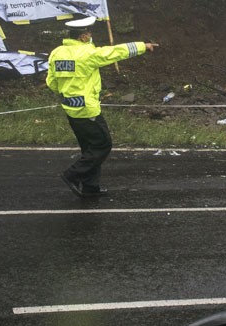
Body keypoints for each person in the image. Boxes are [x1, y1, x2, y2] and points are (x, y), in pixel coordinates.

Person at [46, 16, 158, 197]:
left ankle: (90, 187)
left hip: (70, 108)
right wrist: (142, 46)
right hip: (88, 110)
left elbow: (51, 83)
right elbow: (114, 52)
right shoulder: (87, 54)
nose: (90, 36)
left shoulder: (56, 53)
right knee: (103, 146)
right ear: (82, 37)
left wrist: (69, 89)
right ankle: (72, 174)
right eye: (89, 33)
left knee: (89, 149)